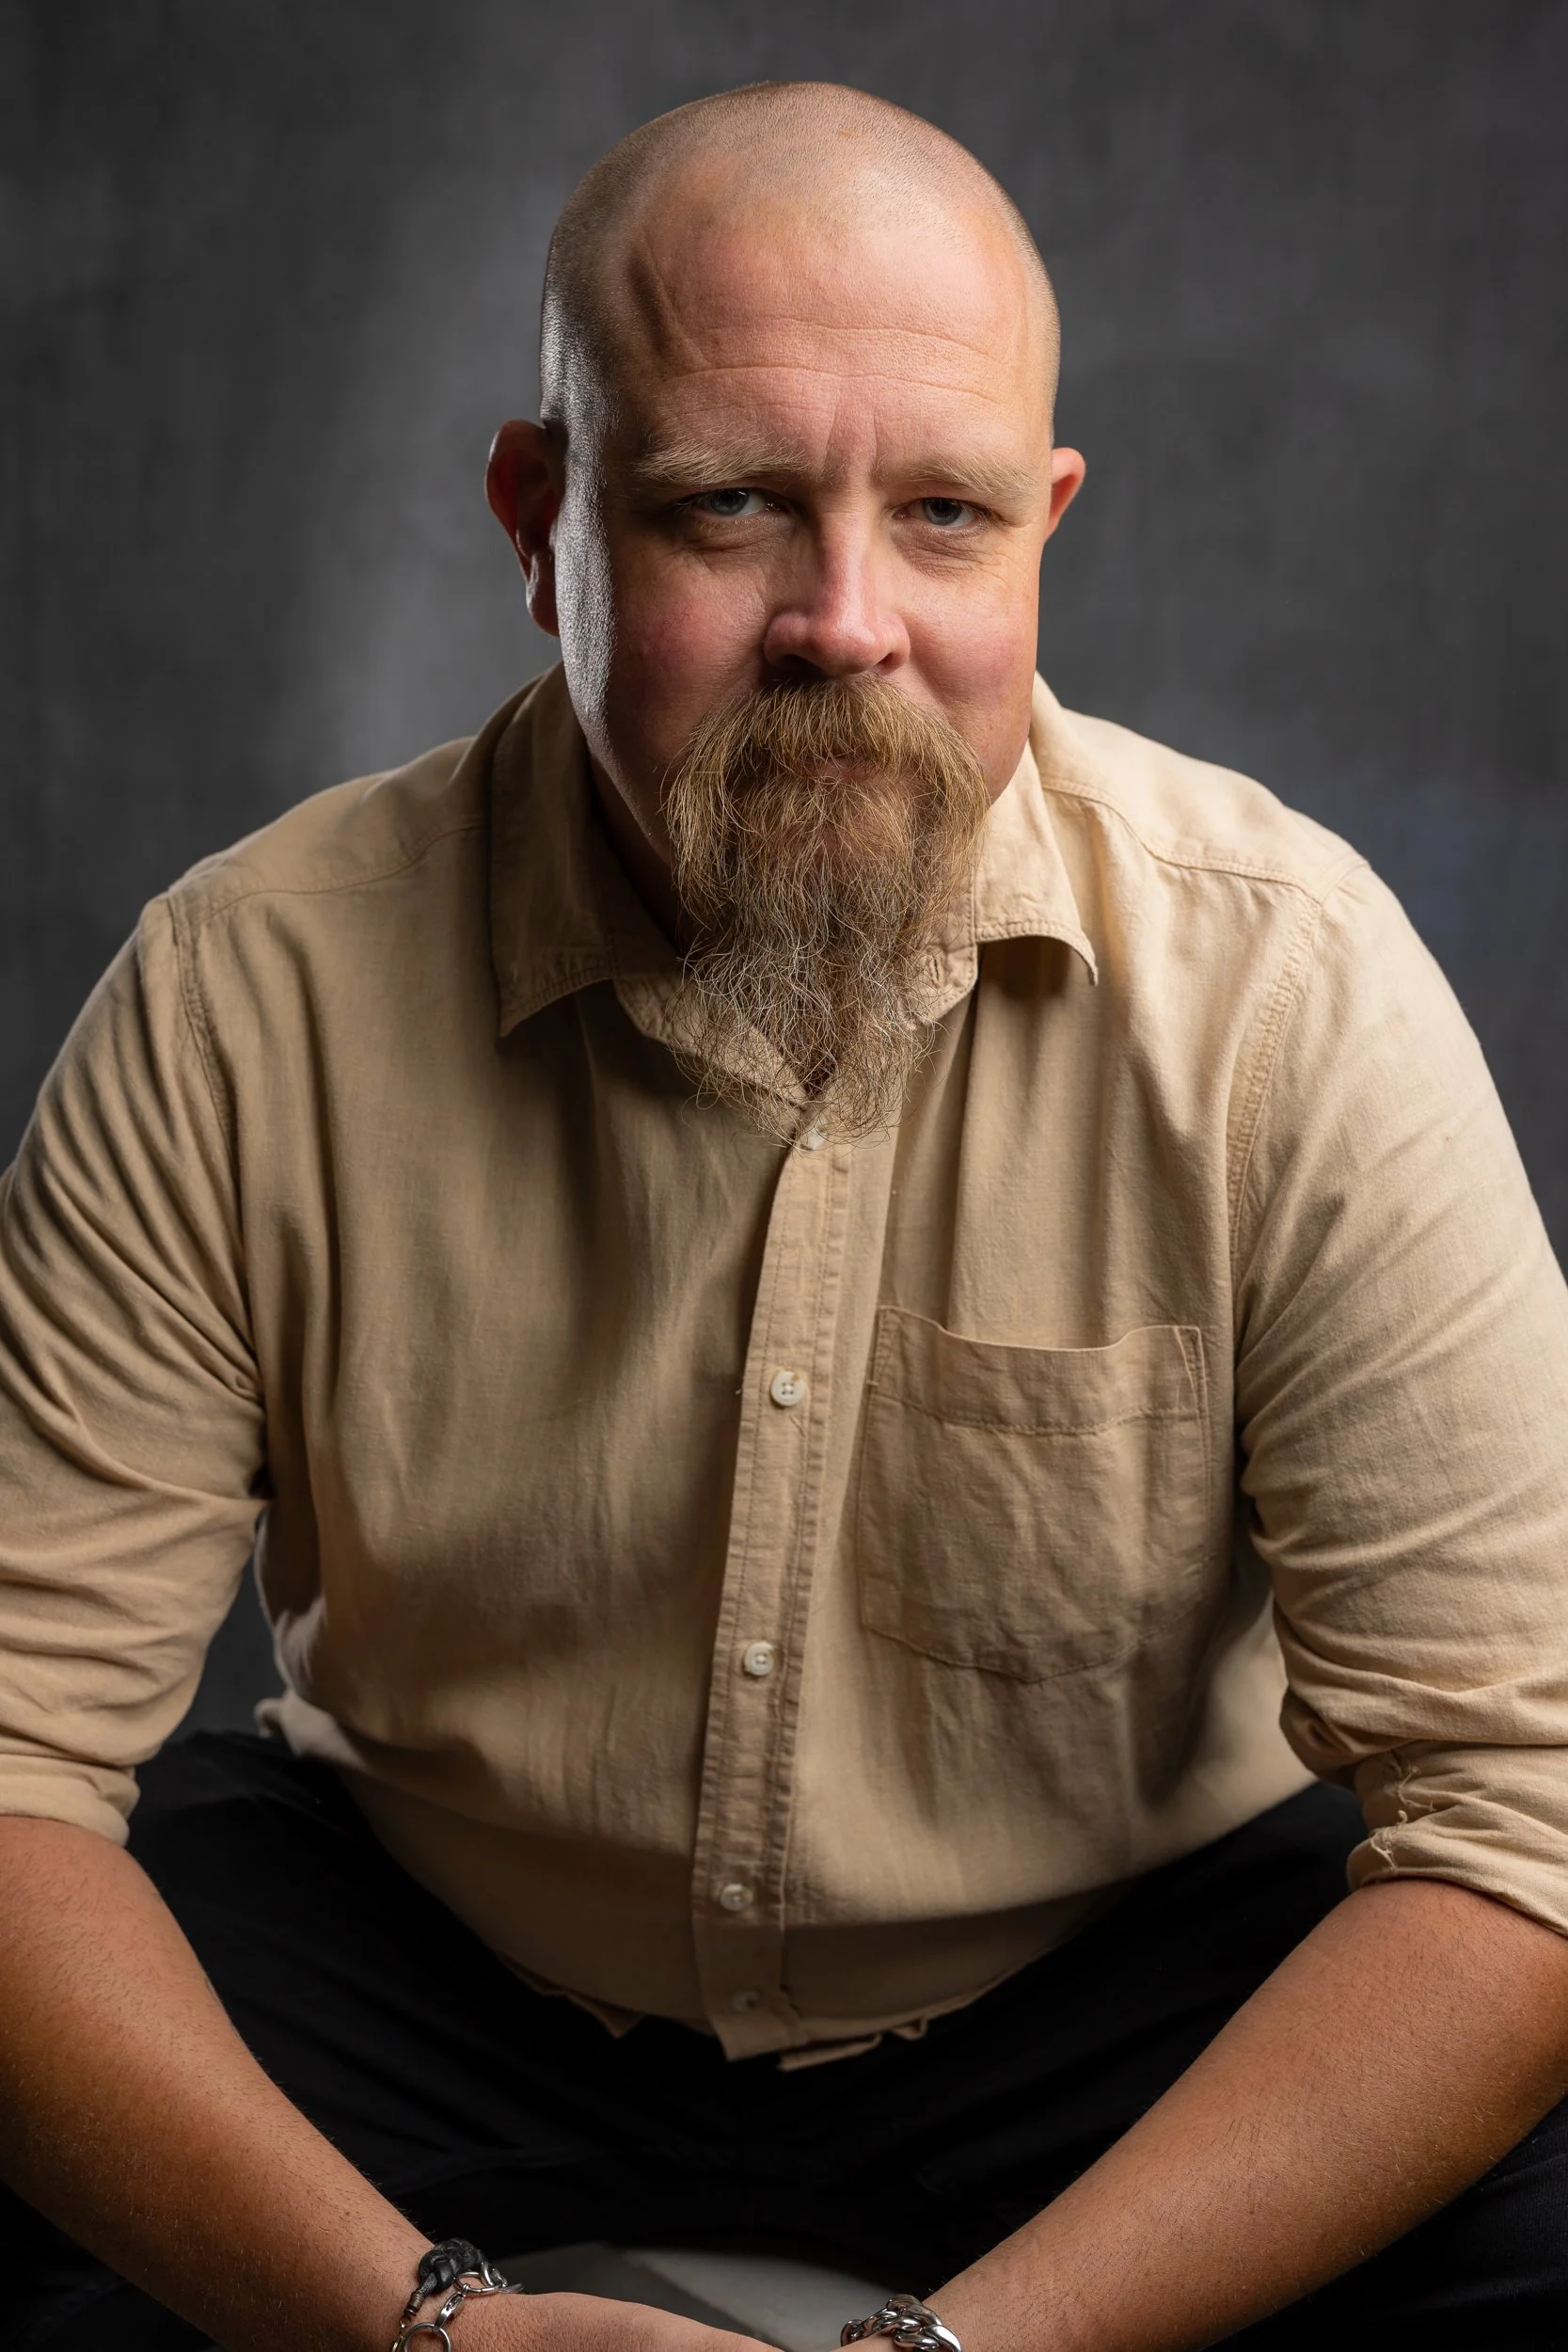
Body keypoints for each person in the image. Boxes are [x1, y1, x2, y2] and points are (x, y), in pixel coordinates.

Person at [2, 76, 1567, 2352]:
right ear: (536, 518)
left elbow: (1522, 1823)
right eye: (728, 504)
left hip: (1110, 1987)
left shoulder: (1285, 990)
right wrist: (417, 2328)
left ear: (1043, 525)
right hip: (434, 1949)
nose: (847, 623)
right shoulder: (245, 990)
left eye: (940, 515)